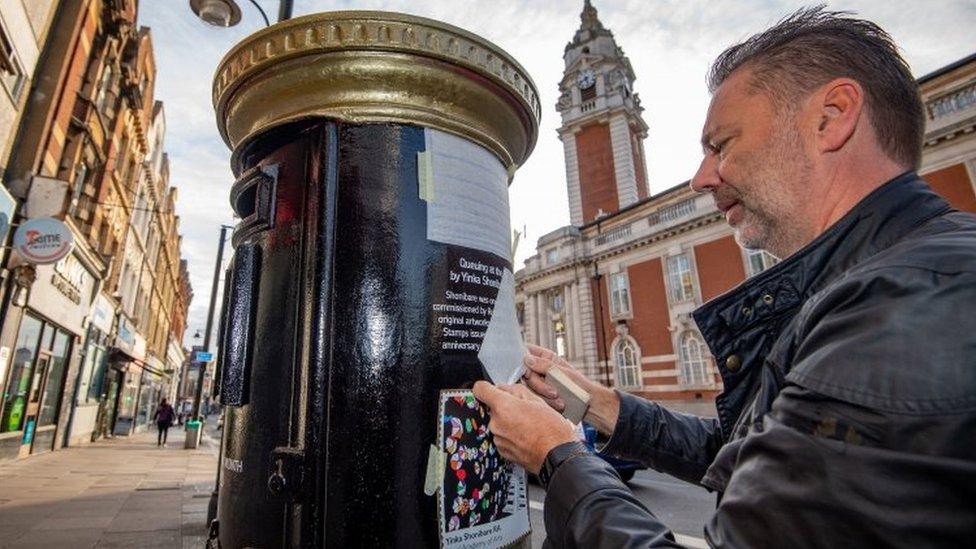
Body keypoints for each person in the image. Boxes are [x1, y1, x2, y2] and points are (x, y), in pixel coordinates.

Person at [474, 7, 976, 548]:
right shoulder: (889, 278)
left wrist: (559, 456)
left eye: (722, 144)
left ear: (831, 118)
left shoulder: (899, 309)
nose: (701, 178)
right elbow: (749, 455)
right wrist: (594, 403)